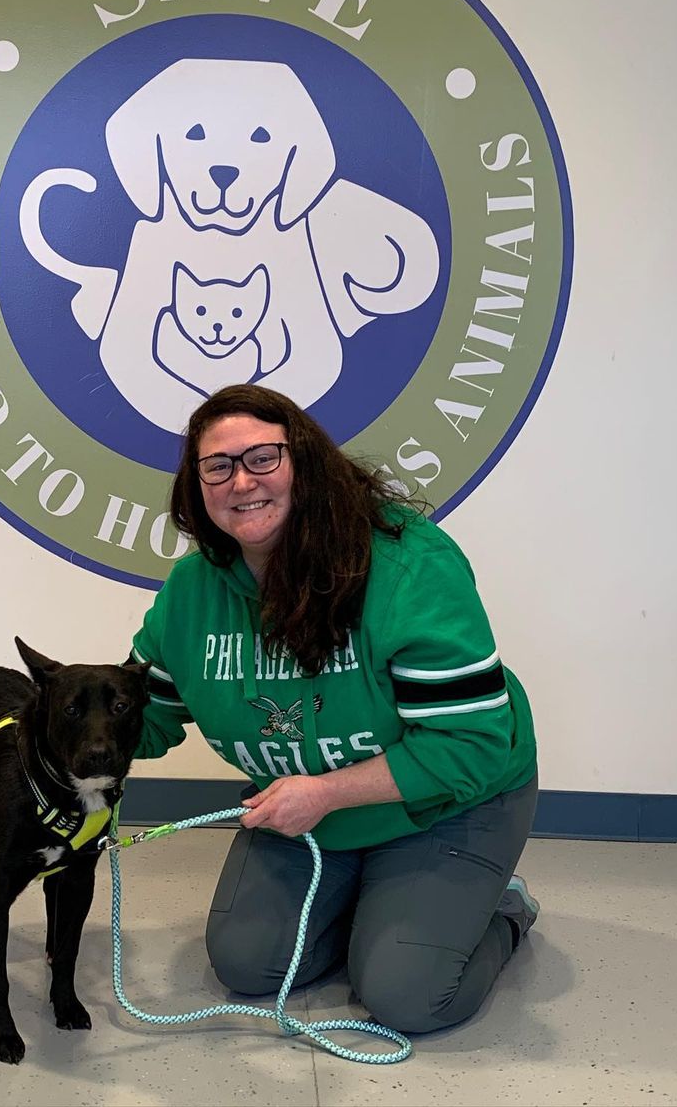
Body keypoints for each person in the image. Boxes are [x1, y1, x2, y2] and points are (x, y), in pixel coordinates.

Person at [129, 384, 538, 1034]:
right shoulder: (193, 591)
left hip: (449, 804)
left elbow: (470, 744)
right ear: (196, 487)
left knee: (408, 996)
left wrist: (323, 793)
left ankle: (502, 912)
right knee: (248, 965)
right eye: (218, 466)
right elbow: (140, 714)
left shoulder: (408, 564)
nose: (241, 481)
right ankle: (384, 908)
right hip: (314, 815)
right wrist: (38, 734)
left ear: (307, 463)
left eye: (263, 458)